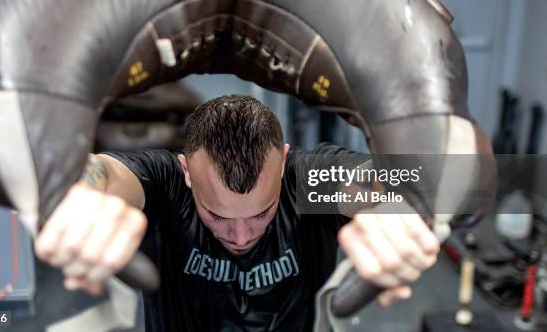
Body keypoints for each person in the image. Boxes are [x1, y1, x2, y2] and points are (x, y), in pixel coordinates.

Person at [35, 95, 440, 331]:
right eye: (218, 217)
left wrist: (397, 203)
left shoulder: (306, 179)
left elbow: (376, 180)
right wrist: (78, 193)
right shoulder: (164, 182)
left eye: (262, 213)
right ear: (186, 172)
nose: (242, 236)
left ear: (282, 164)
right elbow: (102, 175)